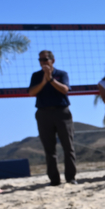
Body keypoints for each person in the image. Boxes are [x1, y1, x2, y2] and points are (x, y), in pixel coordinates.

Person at [27, 50, 76, 185]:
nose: (42, 62)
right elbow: (31, 92)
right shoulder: (36, 76)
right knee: (49, 149)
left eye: (45, 59)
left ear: (52, 61)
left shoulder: (61, 74)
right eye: (40, 60)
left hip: (62, 112)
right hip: (43, 113)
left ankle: (71, 178)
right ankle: (54, 180)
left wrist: (51, 79)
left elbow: (65, 89)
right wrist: (44, 81)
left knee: (68, 146)